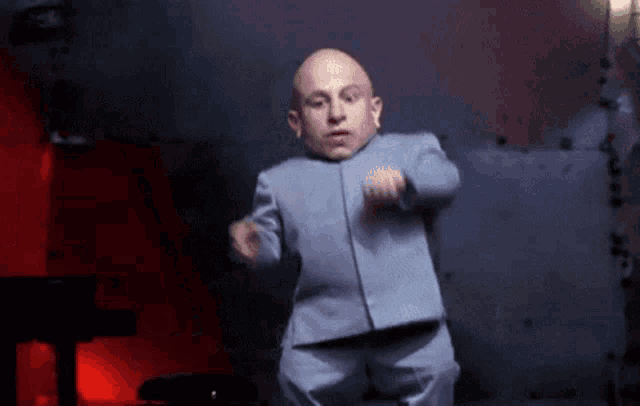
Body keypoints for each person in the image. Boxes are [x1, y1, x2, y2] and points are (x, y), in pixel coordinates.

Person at [229, 48, 461, 405]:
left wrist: (407, 182)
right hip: (323, 333)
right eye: (318, 103)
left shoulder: (411, 151)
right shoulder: (278, 182)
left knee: (436, 373)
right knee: (296, 381)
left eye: (350, 98)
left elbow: (445, 179)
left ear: (375, 110)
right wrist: (253, 242)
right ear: (296, 122)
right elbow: (268, 247)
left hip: (411, 324)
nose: (336, 114)